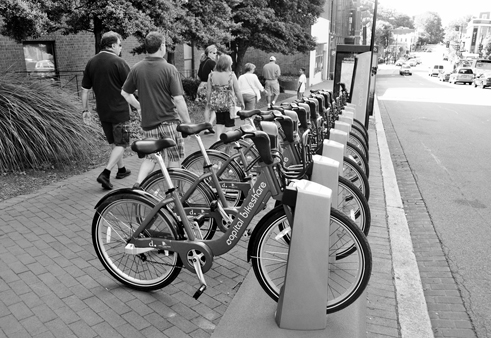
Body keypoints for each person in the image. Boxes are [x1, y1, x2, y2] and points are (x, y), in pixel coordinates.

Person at [121, 31, 191, 188]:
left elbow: (125, 93)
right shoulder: (169, 69)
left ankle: (138, 185)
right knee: (174, 158)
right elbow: (178, 100)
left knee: (151, 157)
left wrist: (139, 107)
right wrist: (187, 122)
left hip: (149, 123)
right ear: (162, 46)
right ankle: (175, 194)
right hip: (169, 122)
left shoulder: (137, 68)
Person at [81, 31, 132, 190]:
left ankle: (121, 170)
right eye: (120, 45)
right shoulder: (120, 63)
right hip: (120, 111)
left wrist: (85, 110)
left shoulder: (91, 63)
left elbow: (85, 90)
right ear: (112, 45)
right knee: (122, 143)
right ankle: (106, 172)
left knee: (114, 142)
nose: (120, 48)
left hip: (103, 111)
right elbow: (131, 88)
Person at [206, 54, 244, 141]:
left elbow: (208, 90)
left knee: (219, 122)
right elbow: (237, 90)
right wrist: (242, 102)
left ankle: (218, 140)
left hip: (217, 103)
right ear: (228, 64)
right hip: (229, 103)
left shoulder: (211, 75)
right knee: (229, 124)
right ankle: (228, 141)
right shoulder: (231, 75)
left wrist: (208, 102)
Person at [197, 45, 219, 134]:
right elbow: (217, 74)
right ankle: (210, 124)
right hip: (209, 85)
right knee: (215, 107)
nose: (215, 55)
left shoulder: (202, 62)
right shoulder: (211, 63)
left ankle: (206, 127)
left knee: (207, 107)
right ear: (209, 52)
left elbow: (198, 75)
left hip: (201, 85)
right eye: (214, 53)